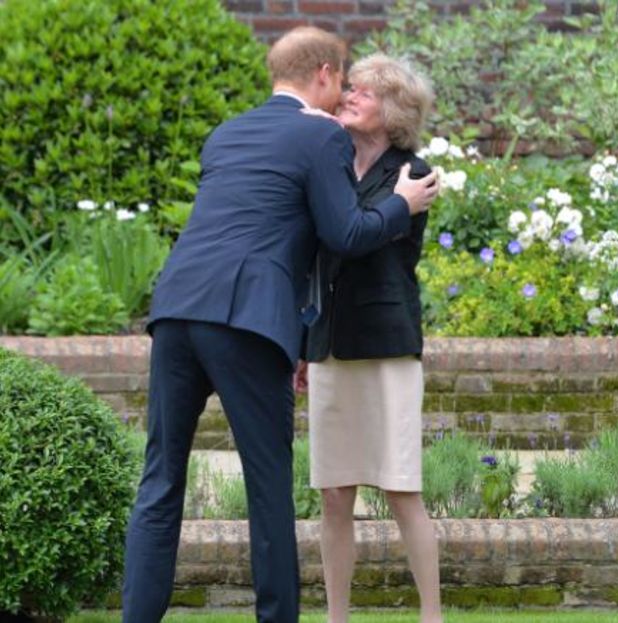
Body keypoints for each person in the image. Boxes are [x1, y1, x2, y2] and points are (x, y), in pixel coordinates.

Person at [122, 28, 439, 623]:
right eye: (342, 78)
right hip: (247, 319)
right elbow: (344, 233)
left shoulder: (227, 132)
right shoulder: (319, 136)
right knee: (268, 486)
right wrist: (401, 205)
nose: (344, 91)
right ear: (323, 72)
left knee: (161, 478)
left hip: (175, 308)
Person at [300, 54, 442, 623]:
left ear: (395, 111)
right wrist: (306, 344)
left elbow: (357, 237)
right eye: (349, 89)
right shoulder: (330, 164)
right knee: (334, 495)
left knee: (402, 489)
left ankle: (432, 616)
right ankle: (337, 617)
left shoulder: (415, 173)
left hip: (386, 347)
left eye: (365, 92)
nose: (350, 96)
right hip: (330, 344)